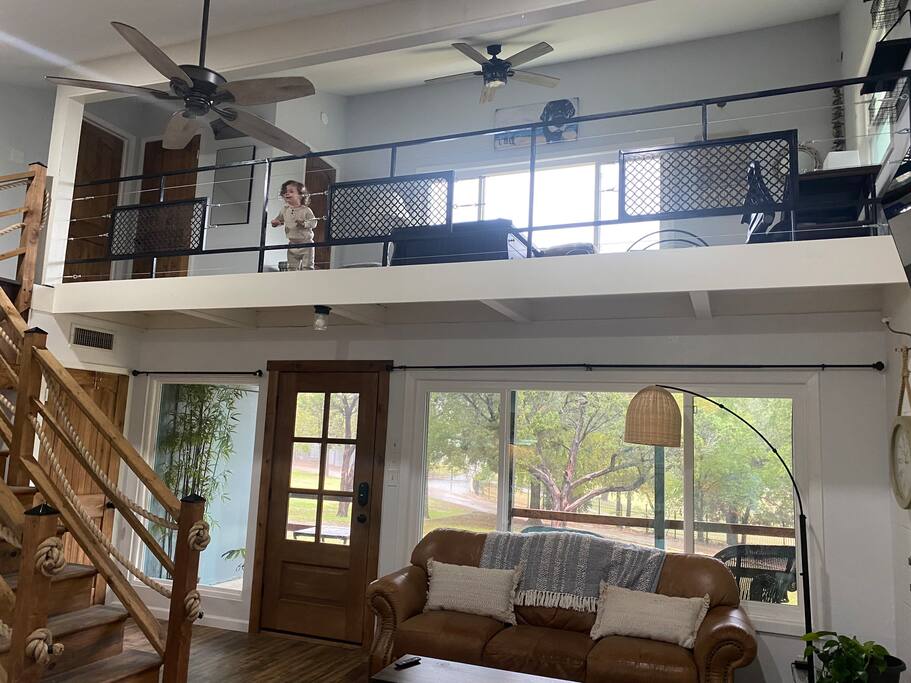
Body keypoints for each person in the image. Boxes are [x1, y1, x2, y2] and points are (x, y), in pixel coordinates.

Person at [271, 180, 318, 270]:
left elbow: (314, 223)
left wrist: (304, 224)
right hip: (292, 244)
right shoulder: (284, 209)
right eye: (285, 192)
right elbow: (280, 220)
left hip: (306, 244)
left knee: (307, 267)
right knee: (291, 267)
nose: (287, 194)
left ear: (301, 195)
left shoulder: (306, 210)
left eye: (291, 191)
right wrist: (275, 223)